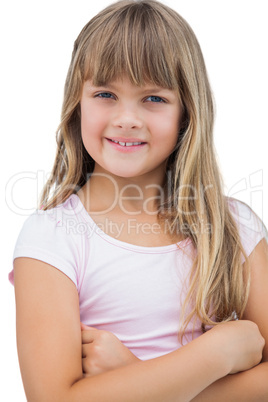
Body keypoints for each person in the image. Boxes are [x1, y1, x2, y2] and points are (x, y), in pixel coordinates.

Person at [9, 0, 268, 401]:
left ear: (187, 113)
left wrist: (135, 377)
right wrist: (216, 354)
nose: (127, 117)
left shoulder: (234, 227)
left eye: (154, 98)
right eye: (106, 93)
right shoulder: (51, 238)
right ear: (77, 104)